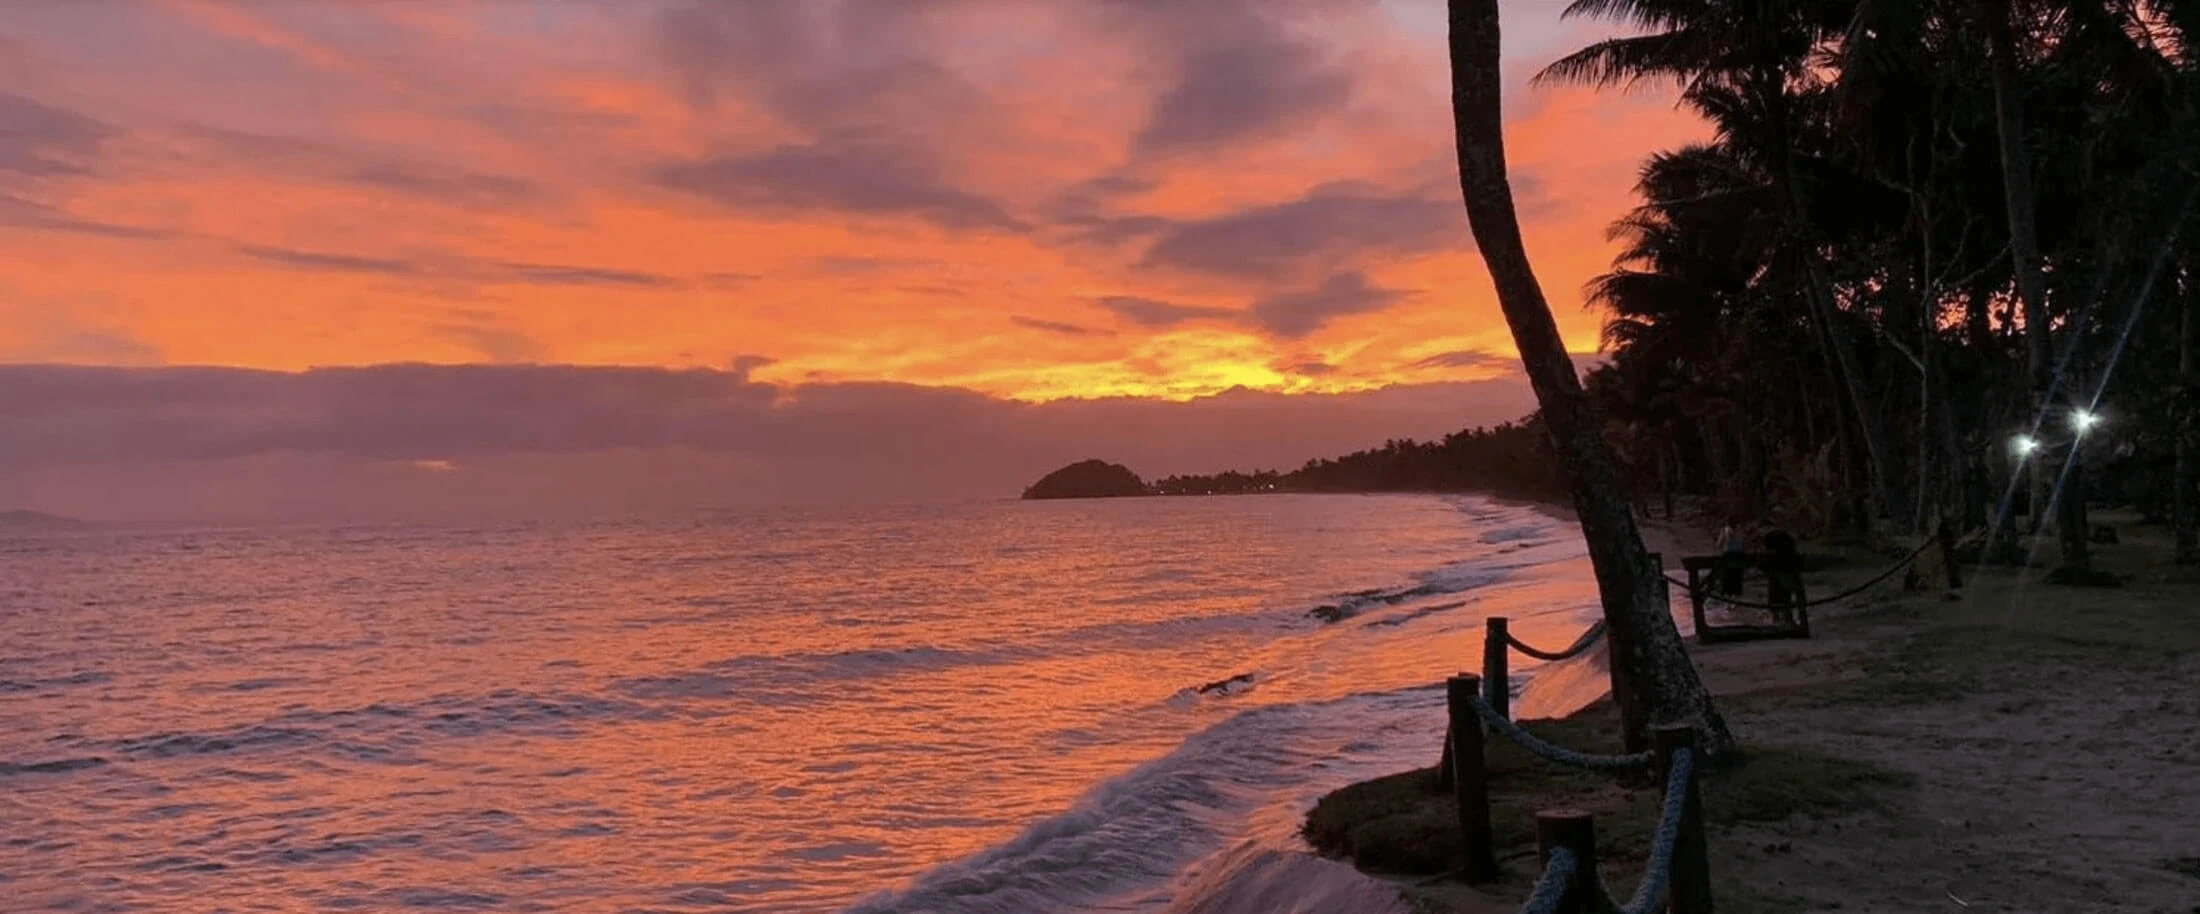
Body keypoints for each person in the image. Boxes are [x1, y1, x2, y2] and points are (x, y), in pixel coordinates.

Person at [1761, 529, 1805, 625]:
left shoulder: (1771, 537)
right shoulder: (1785, 536)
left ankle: (1780, 619)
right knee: (1788, 596)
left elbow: (1767, 553)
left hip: (1780, 569)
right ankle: (1792, 619)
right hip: (1789, 567)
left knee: (1778, 595)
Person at [1716, 519, 1748, 596]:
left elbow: (1719, 544)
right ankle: (1737, 592)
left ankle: (1725, 591)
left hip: (1728, 555)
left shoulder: (1725, 530)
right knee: (1737, 575)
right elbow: (1744, 544)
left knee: (1725, 573)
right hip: (1739, 556)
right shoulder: (1740, 531)